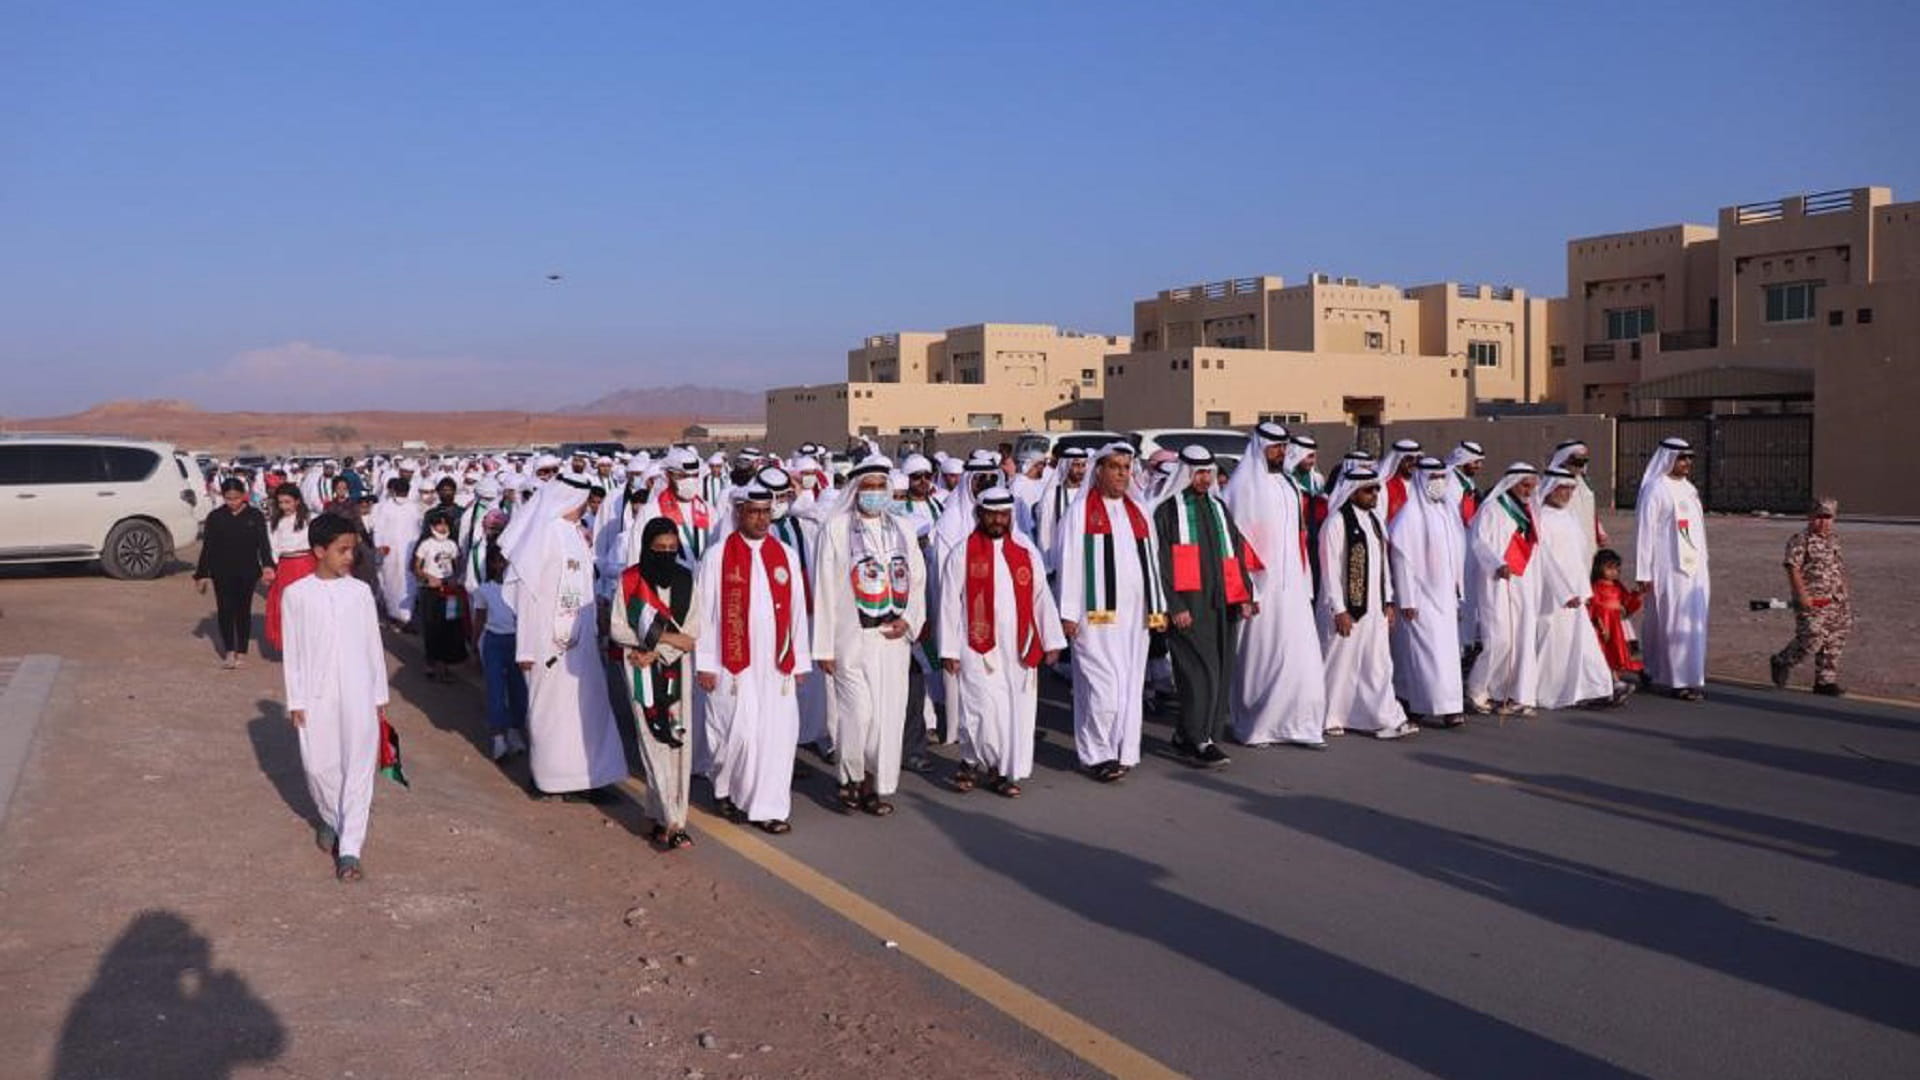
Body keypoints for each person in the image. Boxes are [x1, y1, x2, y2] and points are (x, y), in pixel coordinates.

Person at [499, 473, 628, 801]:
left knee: (589, 710)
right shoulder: (543, 535)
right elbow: (527, 594)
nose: (584, 506)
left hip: (582, 644)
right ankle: (549, 777)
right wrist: (525, 648)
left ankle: (591, 777)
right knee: (551, 712)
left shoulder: (574, 533)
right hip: (547, 643)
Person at [694, 483, 813, 834]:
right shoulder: (717, 556)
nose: (761, 519)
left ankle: (768, 808)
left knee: (776, 736)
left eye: (766, 512)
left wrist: (799, 661)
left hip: (777, 665)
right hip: (732, 662)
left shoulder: (786, 555)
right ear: (739, 514)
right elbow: (705, 613)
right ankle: (726, 788)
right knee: (736, 734)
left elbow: (796, 611)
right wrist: (705, 663)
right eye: (754, 512)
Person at [811, 456, 926, 816]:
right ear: (855, 490)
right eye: (868, 487)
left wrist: (910, 619)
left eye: (880, 486)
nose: (874, 493)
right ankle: (850, 778)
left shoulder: (903, 529)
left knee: (885, 720)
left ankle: (872, 784)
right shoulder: (835, 529)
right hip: (851, 639)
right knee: (857, 714)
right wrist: (824, 646)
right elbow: (824, 589)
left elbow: (918, 580)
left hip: (892, 641)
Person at [280, 513, 391, 883]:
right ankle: (331, 816)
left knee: (358, 766)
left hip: (359, 690)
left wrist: (379, 693)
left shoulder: (359, 592)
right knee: (318, 765)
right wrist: (296, 700)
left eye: (352, 550)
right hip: (316, 693)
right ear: (319, 551)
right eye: (342, 550)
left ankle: (350, 849)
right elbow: (293, 652)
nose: (349, 557)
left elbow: (373, 644)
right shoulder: (296, 595)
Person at [939, 487, 1065, 797]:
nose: (998, 520)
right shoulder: (962, 553)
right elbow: (949, 603)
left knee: (1011, 711)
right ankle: (972, 760)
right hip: (976, 645)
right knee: (979, 707)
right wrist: (949, 649)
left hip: (1019, 646)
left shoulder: (1025, 552)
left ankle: (999, 769)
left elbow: (1041, 598)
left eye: (1004, 515)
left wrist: (1052, 640)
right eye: (992, 514)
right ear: (979, 514)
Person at [1056, 443, 1167, 781]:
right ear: (1099, 470)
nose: (1122, 473)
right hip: (1095, 618)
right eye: (1115, 467)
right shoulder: (1080, 511)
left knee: (1129, 686)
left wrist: (1157, 607)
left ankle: (1121, 749)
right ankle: (1095, 754)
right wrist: (1067, 612)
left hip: (1135, 620)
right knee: (1101, 688)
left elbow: (1153, 561)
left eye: (1126, 467)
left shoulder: (1138, 509)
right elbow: (1068, 562)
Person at [1222, 423, 1329, 748]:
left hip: (1293, 586)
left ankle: (1302, 724)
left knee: (1303, 658)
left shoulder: (1288, 483)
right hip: (1260, 587)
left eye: (1284, 447)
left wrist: (1304, 581)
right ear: (1260, 448)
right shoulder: (1243, 486)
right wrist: (1248, 588)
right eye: (1275, 447)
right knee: (1263, 658)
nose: (1281, 452)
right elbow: (1237, 541)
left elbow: (1298, 537)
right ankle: (1257, 725)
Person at [1153, 446, 1257, 766]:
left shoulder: (1218, 507)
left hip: (1222, 604)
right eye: (1198, 473)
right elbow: (1161, 564)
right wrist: (1175, 605)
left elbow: (1234, 553)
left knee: (1221, 670)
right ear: (1185, 473)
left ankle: (1193, 735)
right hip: (1190, 607)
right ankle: (1199, 739)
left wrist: (1244, 595)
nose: (1205, 479)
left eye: (1208, 472)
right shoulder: (1168, 511)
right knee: (1199, 671)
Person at [611, 518, 703, 849]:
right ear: (647, 548)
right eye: (659, 548)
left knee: (677, 744)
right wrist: (659, 642)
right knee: (652, 741)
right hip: (639, 667)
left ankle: (661, 815)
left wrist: (658, 649)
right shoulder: (630, 581)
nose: (666, 553)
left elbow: (691, 634)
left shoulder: (685, 579)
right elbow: (618, 628)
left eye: (672, 548)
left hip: (675, 670)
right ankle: (673, 820)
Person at [1318, 468, 1418, 740]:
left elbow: (1383, 564)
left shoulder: (1375, 521)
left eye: (1376, 489)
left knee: (1378, 665)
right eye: (1368, 490)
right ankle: (1328, 716)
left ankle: (1384, 718)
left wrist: (1389, 600)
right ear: (1352, 492)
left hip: (1375, 608)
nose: (1374, 494)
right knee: (1339, 665)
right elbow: (1329, 571)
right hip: (1347, 609)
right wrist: (1338, 609)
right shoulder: (1336, 523)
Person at [1534, 468, 1627, 709]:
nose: (1567, 493)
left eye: (1570, 489)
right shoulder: (1539, 518)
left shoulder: (1570, 517)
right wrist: (1563, 591)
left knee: (1584, 643)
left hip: (1577, 592)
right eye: (1562, 488)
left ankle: (1598, 688)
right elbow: (1545, 560)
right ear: (1550, 488)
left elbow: (1580, 556)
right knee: (1556, 643)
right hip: (1552, 595)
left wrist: (1584, 590)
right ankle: (1552, 691)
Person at [1388, 457, 1467, 727]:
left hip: (1445, 596)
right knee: (1427, 654)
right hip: (1420, 598)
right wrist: (1407, 599)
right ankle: (1438, 706)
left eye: (1442, 477)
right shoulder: (1409, 516)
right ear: (1421, 479)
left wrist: (1458, 589)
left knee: (1446, 654)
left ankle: (1445, 704)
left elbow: (1456, 554)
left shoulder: (1447, 512)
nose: (1439, 482)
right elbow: (1402, 560)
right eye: (1433, 477)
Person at [1634, 437, 1710, 701]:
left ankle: (1684, 675)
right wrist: (1643, 572)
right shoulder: (1655, 489)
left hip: (1695, 570)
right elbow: (1645, 532)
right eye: (1682, 457)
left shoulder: (1689, 489)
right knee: (1668, 620)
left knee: (1691, 621)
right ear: (1668, 459)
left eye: (1690, 458)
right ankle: (1677, 680)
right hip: (1667, 567)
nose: (1687, 462)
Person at [1465, 463, 1543, 716]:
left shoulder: (1530, 510)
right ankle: (1476, 690)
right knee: (1499, 639)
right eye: (1525, 485)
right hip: (1497, 581)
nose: (1529, 491)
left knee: (1521, 639)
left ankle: (1508, 693)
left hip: (1524, 581)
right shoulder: (1492, 508)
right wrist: (1496, 564)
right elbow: (1479, 542)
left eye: (1532, 486)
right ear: (1512, 483)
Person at [1770, 497, 1851, 696]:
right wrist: (1801, 594)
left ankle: (1825, 681)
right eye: (1819, 516)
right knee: (1812, 637)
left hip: (1835, 600)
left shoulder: (1834, 540)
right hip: (1812, 599)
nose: (1823, 521)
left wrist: (1844, 591)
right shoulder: (1801, 539)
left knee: (1835, 638)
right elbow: (1792, 568)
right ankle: (1782, 661)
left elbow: (1838, 567)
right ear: (1810, 517)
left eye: (1828, 517)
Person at [195, 477, 276, 669]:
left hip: (247, 571)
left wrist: (267, 565)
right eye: (228, 498)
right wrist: (202, 574)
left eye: (237, 498)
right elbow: (208, 547)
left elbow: (263, 543)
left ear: (244, 495)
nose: (233, 502)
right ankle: (229, 651)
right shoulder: (216, 517)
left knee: (242, 610)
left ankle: (242, 651)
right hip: (221, 570)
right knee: (225, 610)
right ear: (223, 497)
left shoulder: (254, 515)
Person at [469, 547, 528, 762]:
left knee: (519, 691)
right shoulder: (484, 590)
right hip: (493, 642)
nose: (502, 566)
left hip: (517, 642)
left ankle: (514, 731)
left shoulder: (520, 589)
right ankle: (498, 737)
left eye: (505, 562)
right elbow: (479, 619)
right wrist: (474, 647)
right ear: (491, 564)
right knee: (495, 690)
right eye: (498, 562)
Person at [413, 509, 469, 682]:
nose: (442, 528)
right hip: (430, 591)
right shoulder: (425, 545)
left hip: (449, 591)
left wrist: (454, 578)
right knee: (431, 627)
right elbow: (416, 567)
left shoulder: (452, 545)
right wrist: (428, 578)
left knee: (448, 627)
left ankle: (445, 666)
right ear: (432, 526)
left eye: (445, 524)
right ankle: (430, 663)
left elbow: (458, 565)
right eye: (439, 524)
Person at [263, 483, 314, 654]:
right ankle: (292, 646)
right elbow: (273, 547)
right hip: (285, 567)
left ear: (297, 501)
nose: (284, 506)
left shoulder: (309, 519)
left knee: (307, 606)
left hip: (306, 565)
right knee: (287, 606)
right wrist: (271, 568)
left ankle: (310, 644)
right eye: (280, 503)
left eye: (288, 502)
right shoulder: (275, 523)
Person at [370, 477, 423, 630]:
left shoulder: (414, 507)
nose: (401, 495)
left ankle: (407, 616)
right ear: (394, 492)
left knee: (408, 582)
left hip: (409, 551)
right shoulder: (385, 507)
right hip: (390, 551)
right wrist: (379, 546)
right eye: (399, 492)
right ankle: (393, 614)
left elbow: (418, 529)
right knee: (390, 581)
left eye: (403, 492)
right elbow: (378, 528)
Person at [1587, 549, 1643, 683]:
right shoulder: (1595, 587)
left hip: (1617, 625)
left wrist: (1636, 595)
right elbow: (1593, 607)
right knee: (1605, 652)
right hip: (1604, 624)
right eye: (1609, 568)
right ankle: (1613, 679)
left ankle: (1620, 676)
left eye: (1617, 569)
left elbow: (1627, 603)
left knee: (1618, 651)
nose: (1614, 572)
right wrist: (1599, 623)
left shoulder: (1618, 586)